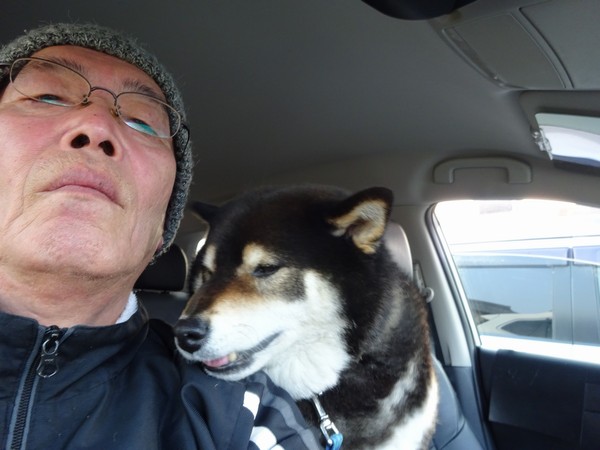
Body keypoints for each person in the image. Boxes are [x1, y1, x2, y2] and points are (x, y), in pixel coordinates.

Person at [0, 23, 320, 449]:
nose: (96, 126)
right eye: (48, 97)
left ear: (161, 230)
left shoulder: (239, 414)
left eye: (142, 123)